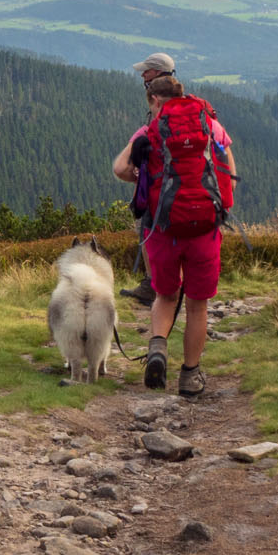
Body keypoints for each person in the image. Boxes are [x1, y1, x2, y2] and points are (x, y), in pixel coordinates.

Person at [112, 71, 235, 396]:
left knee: (166, 296)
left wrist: (145, 176)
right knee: (197, 304)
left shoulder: (148, 131)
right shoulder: (208, 122)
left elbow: (120, 168)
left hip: (164, 229)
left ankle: (157, 349)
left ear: (154, 99)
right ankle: (190, 377)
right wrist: (223, 199)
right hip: (205, 230)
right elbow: (227, 163)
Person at [118, 53, 176, 305]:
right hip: (184, 185)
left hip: (158, 187)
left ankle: (153, 286)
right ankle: (169, 286)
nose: (143, 75)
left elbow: (120, 169)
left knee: (148, 234)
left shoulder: (160, 106)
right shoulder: (188, 106)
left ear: (159, 73)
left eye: (147, 71)